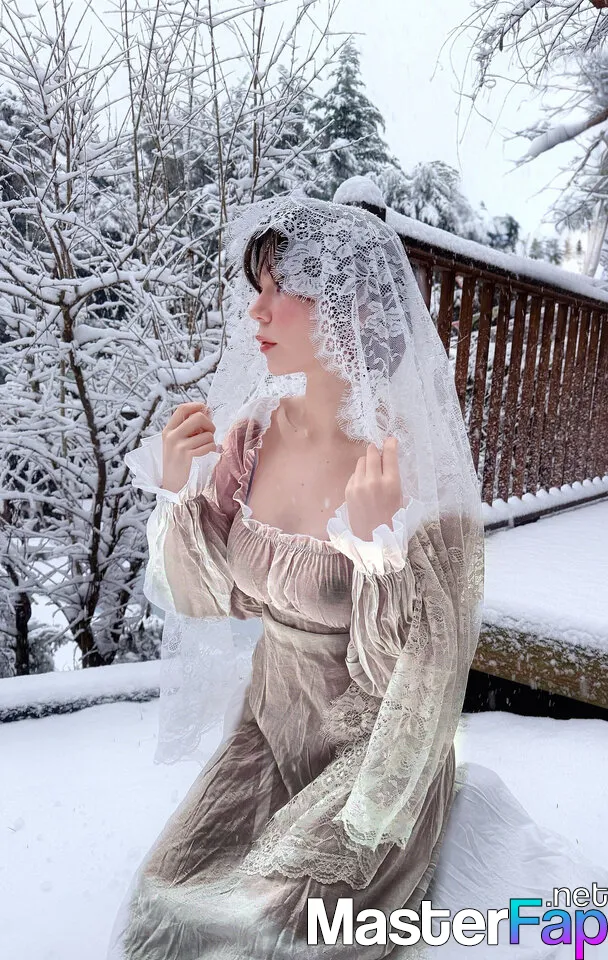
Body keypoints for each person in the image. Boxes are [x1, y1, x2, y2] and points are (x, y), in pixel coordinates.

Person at [107, 195, 608, 960]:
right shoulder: (255, 437)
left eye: (281, 289)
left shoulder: (410, 470)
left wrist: (379, 554)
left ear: (351, 309)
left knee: (275, 929)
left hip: (375, 754)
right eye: (256, 288)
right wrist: (181, 494)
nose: (256, 312)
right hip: (267, 730)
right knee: (165, 903)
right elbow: (212, 594)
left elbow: (419, 679)